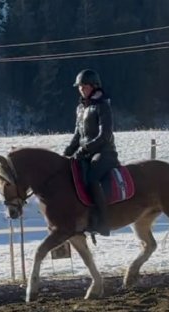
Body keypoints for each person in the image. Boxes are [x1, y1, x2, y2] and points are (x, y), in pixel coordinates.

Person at [63, 69, 120, 236]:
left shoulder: (103, 106)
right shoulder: (80, 108)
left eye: (84, 86)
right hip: (85, 153)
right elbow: (77, 136)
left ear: (95, 86)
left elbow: (105, 135)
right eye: (79, 87)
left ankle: (102, 220)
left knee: (92, 177)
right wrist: (66, 154)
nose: (81, 89)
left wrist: (84, 150)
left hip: (104, 153)